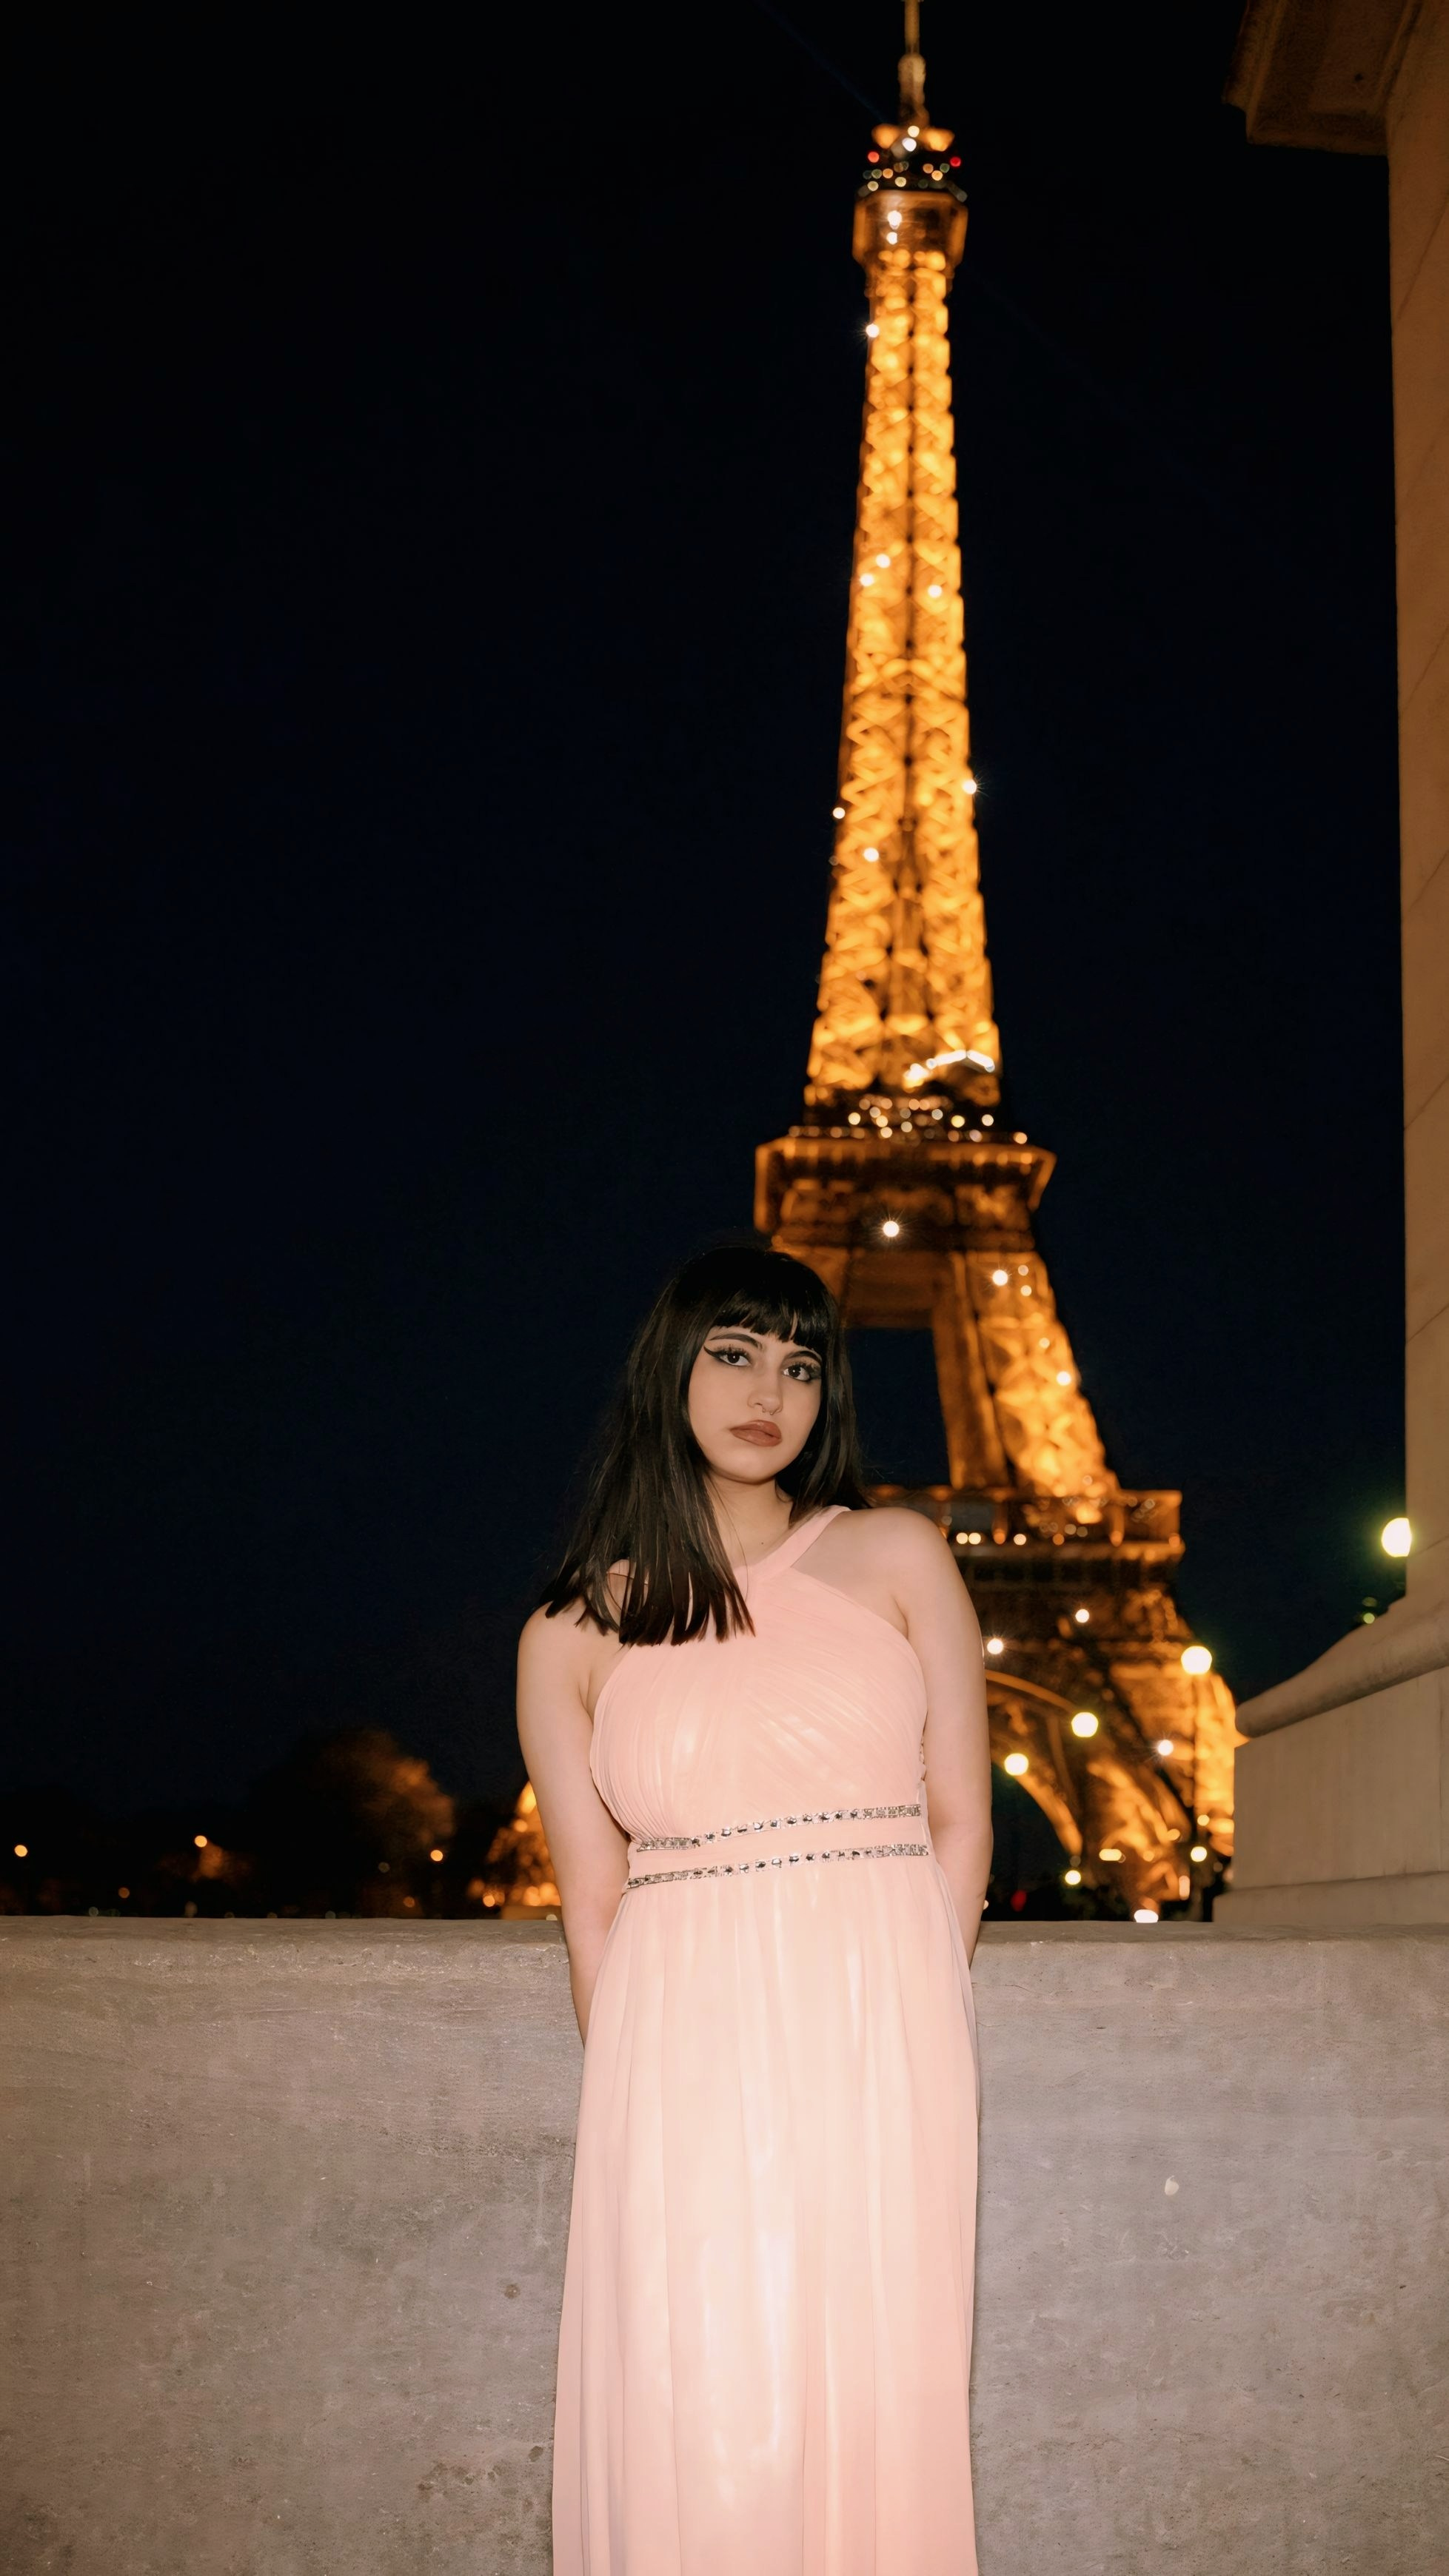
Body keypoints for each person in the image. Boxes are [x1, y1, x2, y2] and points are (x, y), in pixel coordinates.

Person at [518, 1244, 992, 2575]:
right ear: (666, 1370)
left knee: (873, 2373)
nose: (765, 1392)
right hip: (674, 2038)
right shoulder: (569, 1635)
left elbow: (958, 1818)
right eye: (731, 1354)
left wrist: (911, 2009)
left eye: (798, 1365)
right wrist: (632, 2087)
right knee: (693, 2384)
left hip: (878, 2018)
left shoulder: (895, 1554)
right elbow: (590, 1905)